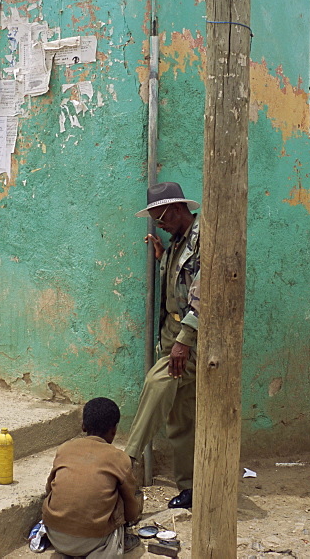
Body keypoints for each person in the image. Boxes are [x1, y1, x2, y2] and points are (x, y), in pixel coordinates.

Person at [123, 182, 200, 509]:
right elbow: (181, 277)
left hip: (190, 337)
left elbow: (206, 290)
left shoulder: (205, 237)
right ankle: (192, 488)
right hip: (171, 331)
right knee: (180, 419)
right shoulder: (178, 241)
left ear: (178, 210)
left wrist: (184, 341)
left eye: (162, 219)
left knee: (158, 382)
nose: (160, 225)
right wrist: (164, 257)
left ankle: (127, 460)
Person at [41, 397, 142, 558]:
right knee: (122, 496)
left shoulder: (64, 449)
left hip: (55, 534)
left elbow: (49, 489)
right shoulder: (119, 458)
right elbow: (130, 508)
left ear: (83, 426)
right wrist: (130, 520)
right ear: (114, 430)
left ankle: (67, 552)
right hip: (93, 540)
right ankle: (103, 551)